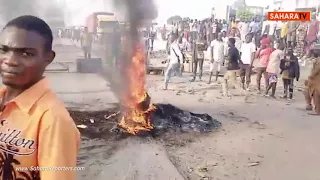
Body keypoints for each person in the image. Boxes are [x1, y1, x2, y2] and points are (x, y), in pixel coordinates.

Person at [0, 15, 80, 179]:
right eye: (4, 50)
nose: (10, 61)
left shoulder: (52, 119)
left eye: (26, 54)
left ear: (48, 58)